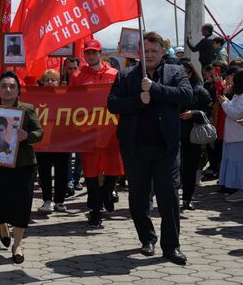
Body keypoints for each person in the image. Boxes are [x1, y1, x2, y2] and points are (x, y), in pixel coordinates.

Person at [108, 31, 193, 265]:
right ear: (139, 53)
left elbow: (187, 96)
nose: (151, 55)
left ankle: (171, 246)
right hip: (135, 147)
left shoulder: (175, 72)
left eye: (155, 51)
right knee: (138, 199)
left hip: (166, 148)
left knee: (169, 197)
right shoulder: (126, 76)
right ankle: (147, 238)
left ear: (163, 52)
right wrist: (137, 100)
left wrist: (155, 88)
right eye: (146, 51)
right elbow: (112, 103)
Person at [0, 70, 43, 264]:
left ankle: (18, 244)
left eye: (12, 86)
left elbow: (39, 132)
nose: (8, 89)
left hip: (24, 165)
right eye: (4, 86)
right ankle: (2, 225)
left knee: (21, 204)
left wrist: (27, 136)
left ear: (18, 90)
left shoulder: (27, 109)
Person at [69, 39, 124, 228]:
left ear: (101, 54)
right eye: (88, 53)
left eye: (94, 52)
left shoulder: (115, 74)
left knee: (114, 169)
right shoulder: (77, 76)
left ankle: (107, 194)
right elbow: (71, 102)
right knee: (91, 172)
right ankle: (95, 210)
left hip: (111, 130)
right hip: (89, 132)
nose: (91, 56)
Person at [179, 61, 212, 210]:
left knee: (190, 169)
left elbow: (207, 112)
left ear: (190, 73)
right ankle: (170, 198)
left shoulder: (200, 91)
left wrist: (194, 114)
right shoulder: (169, 89)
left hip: (192, 136)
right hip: (171, 134)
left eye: (184, 72)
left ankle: (187, 198)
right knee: (172, 170)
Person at [36, 69, 70, 214]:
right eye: (47, 80)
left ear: (58, 81)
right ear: (42, 83)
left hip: (62, 140)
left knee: (62, 171)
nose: (50, 82)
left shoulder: (66, 97)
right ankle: (47, 200)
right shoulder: (37, 98)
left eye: (53, 80)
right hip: (43, 141)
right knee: (44, 172)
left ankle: (60, 201)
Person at [219, 69, 243, 202]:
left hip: (239, 137)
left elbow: (236, 114)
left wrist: (225, 103)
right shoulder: (238, 95)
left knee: (239, 165)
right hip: (235, 136)